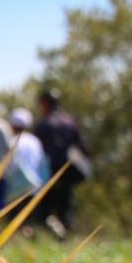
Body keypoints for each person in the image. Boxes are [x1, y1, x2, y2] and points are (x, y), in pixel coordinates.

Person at [34, 89, 90, 236]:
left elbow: (37, 150)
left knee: (44, 208)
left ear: (45, 103)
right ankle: (65, 234)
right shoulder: (69, 121)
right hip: (67, 170)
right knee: (65, 204)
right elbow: (83, 146)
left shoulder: (44, 124)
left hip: (49, 171)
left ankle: (56, 233)